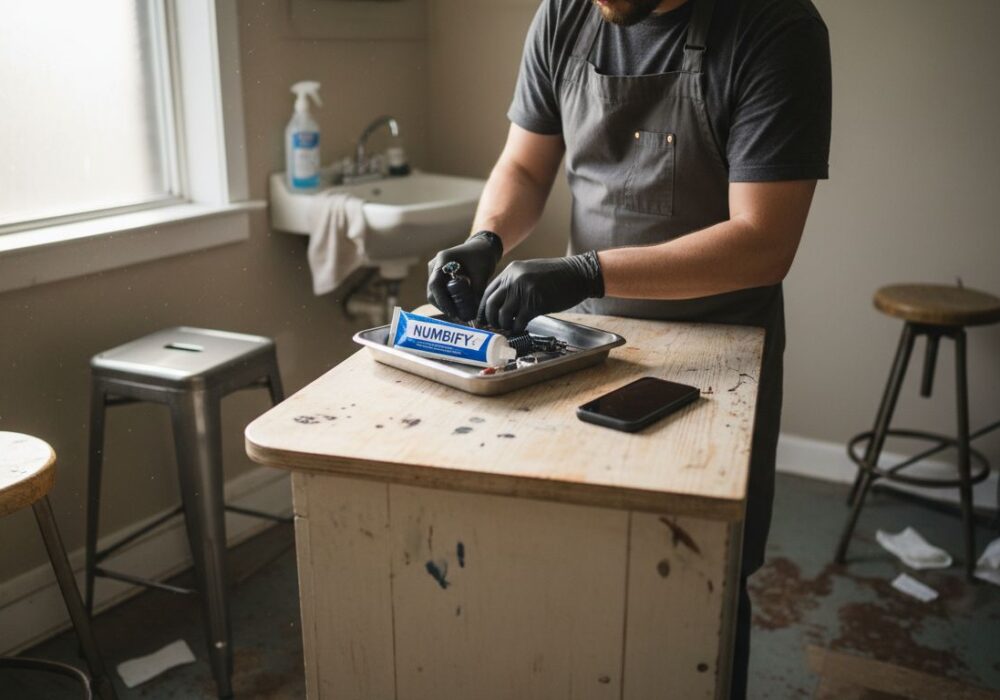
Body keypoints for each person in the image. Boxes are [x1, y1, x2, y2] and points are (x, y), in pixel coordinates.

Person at [426, 0, 831, 695]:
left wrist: (587, 270)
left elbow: (764, 241)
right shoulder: (565, 15)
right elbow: (525, 166)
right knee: (572, 559)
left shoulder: (775, 26)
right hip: (583, 344)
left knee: (702, 576)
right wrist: (486, 238)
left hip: (718, 361)